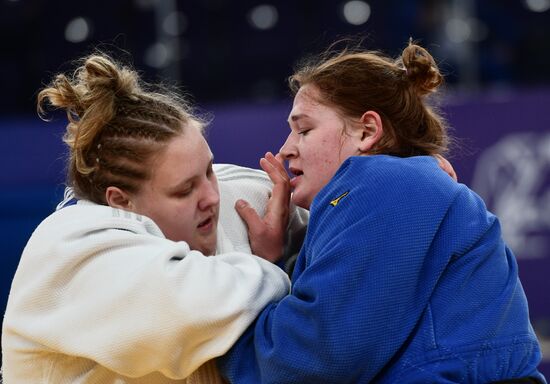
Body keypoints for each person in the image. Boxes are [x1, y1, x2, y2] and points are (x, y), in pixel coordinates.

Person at [219, 41, 546, 383]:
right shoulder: (403, 187)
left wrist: (224, 326)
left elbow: (306, 360)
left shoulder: (387, 181)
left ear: (368, 131)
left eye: (304, 130)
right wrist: (274, 260)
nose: (286, 150)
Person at [1, 54, 307, 383]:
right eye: (184, 190)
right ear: (121, 201)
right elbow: (201, 308)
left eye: (207, 170)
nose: (212, 196)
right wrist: (269, 260)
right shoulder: (72, 248)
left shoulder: (237, 193)